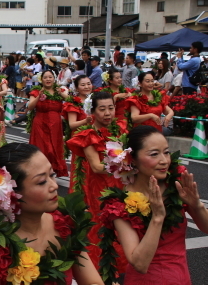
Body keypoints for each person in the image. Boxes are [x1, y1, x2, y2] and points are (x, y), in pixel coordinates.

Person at [0, 143, 103, 285]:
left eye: (52, 175)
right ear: (10, 193)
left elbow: (92, 282)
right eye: (42, 181)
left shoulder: (65, 225)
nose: (54, 186)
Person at [98, 125, 208, 284]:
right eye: (154, 154)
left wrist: (196, 205)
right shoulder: (119, 204)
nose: (164, 161)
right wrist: (157, 218)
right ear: (132, 159)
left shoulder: (175, 186)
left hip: (182, 278)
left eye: (166, 152)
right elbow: (139, 264)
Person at [66, 92, 128, 272]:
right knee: (102, 225)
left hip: (121, 184)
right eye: (102, 109)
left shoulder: (121, 130)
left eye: (111, 108)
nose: (108, 113)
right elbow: (96, 166)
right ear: (92, 112)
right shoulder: (89, 135)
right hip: (99, 189)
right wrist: (125, 162)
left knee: (124, 221)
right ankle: (100, 269)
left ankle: (121, 264)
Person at [27, 70, 69, 177]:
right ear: (41, 79)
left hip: (55, 125)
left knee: (54, 147)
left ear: (54, 79)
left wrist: (61, 93)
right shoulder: (36, 91)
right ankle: (39, 170)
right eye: (45, 77)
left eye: (50, 77)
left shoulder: (60, 90)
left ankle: (53, 169)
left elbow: (71, 100)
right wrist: (38, 97)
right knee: (42, 147)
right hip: (40, 123)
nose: (48, 79)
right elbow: (30, 107)